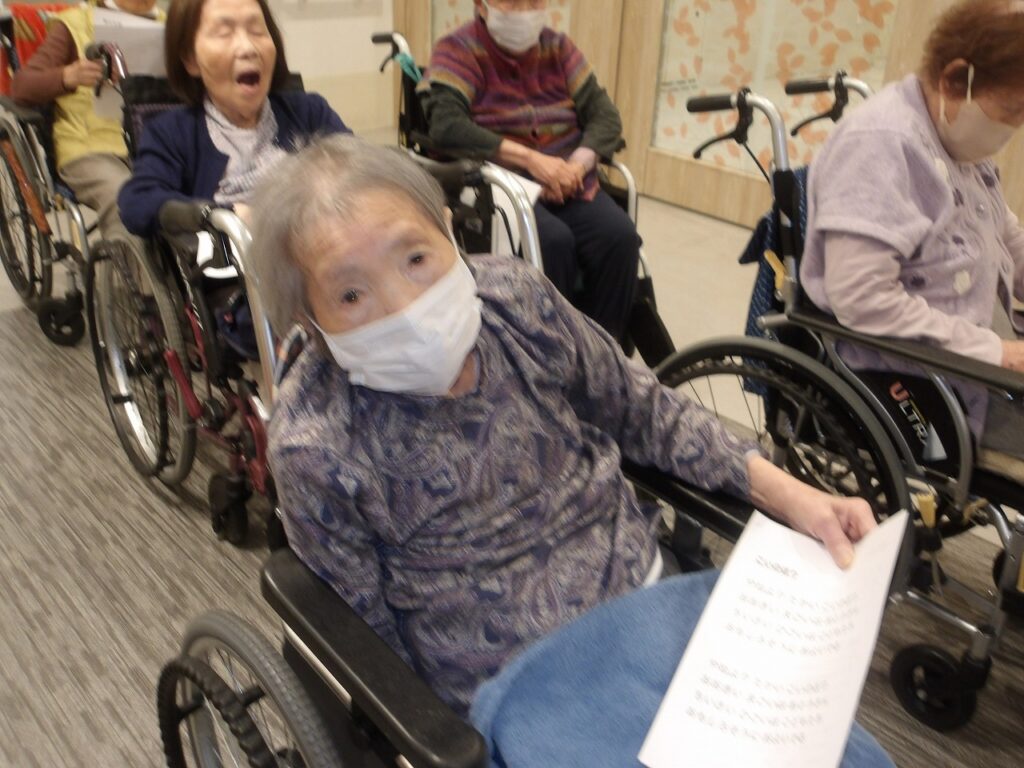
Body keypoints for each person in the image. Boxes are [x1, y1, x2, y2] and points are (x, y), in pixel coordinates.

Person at [248, 135, 891, 766]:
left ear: (447, 229)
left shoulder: (514, 301)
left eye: (416, 258)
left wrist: (793, 496)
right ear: (309, 319)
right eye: (351, 295)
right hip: (517, 682)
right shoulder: (317, 441)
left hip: (650, 603)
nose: (405, 306)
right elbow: (364, 635)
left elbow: (640, 408)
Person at [800, 0, 1024, 463]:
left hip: (975, 351)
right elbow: (862, 297)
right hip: (916, 375)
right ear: (955, 79)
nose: (1015, 126)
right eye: (1013, 109)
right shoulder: (880, 146)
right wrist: (996, 352)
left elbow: (1004, 232)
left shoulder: (957, 143)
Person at [421, 0, 639, 343]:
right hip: (504, 183)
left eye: (534, 1)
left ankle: (603, 349)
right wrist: (532, 160)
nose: (524, 10)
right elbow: (447, 127)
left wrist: (575, 166)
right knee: (553, 241)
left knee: (619, 236)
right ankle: (551, 349)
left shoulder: (559, 47)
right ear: (481, 5)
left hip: (568, 178)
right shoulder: (458, 49)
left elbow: (605, 116)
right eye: (512, 1)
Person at [117, 0, 350, 237]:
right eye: (224, 33)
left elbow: (358, 170)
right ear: (190, 59)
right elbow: (138, 201)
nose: (248, 48)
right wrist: (225, 214)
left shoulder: (309, 112)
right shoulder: (171, 132)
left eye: (257, 30)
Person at [11, 0, 164, 245]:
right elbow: (21, 87)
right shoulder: (75, 24)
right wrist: (67, 76)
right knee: (123, 195)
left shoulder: (168, 25)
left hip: (157, 142)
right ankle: (132, 267)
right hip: (90, 147)